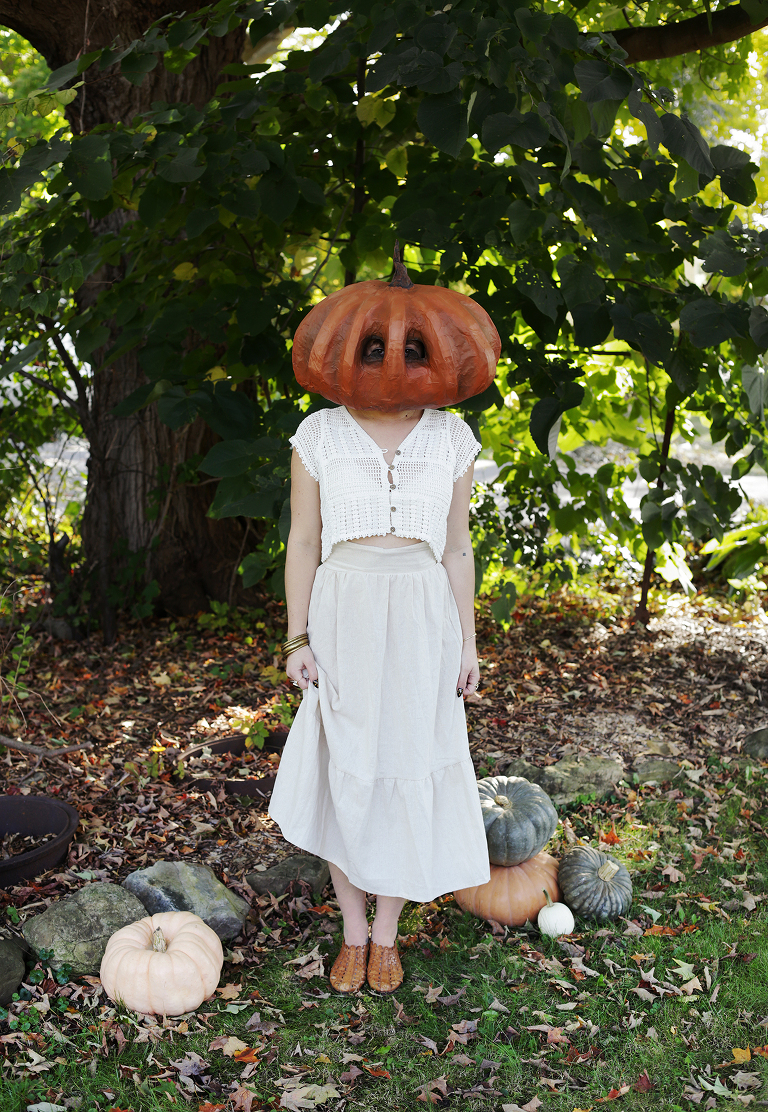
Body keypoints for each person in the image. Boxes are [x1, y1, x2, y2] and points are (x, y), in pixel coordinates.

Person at [268, 332, 491, 995]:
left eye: (408, 353)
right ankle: (353, 932)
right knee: (349, 769)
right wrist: (295, 636)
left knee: (408, 762)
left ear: (430, 361)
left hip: (424, 613)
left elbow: (456, 548)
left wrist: (469, 643)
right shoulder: (320, 435)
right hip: (345, 611)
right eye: (373, 352)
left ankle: (387, 936)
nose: (390, 366)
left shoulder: (452, 436)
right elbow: (304, 540)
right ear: (351, 360)